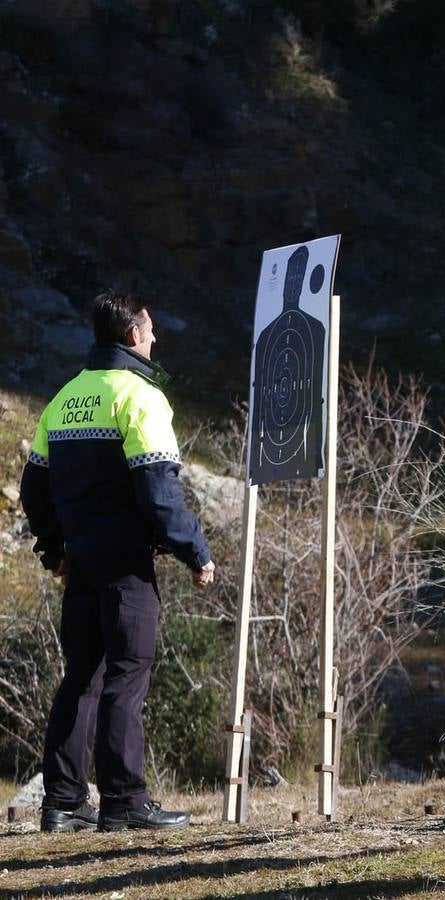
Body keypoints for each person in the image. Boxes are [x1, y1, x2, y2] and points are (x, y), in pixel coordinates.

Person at [20, 289, 215, 833]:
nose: (156, 338)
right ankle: (125, 800)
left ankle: (61, 804)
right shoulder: (141, 397)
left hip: (80, 563)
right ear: (133, 335)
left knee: (80, 678)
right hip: (127, 565)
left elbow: (33, 489)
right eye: (151, 329)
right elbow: (159, 491)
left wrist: (54, 549)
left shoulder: (63, 398)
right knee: (126, 679)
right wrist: (195, 551)